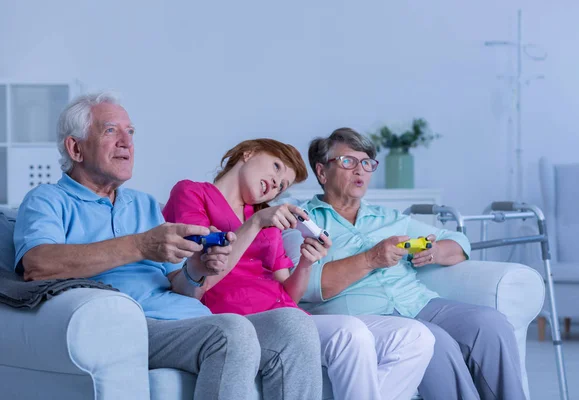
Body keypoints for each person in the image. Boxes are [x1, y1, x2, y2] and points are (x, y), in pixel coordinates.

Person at [13, 92, 323, 400]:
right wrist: (141, 245)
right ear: (75, 147)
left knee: (294, 326)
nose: (126, 142)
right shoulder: (47, 200)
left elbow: (184, 288)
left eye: (130, 132)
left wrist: (198, 268)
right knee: (231, 332)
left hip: (188, 318)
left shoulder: (143, 204)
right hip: (130, 323)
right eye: (110, 130)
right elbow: (37, 264)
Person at [162, 138, 435, 400]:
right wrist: (255, 223)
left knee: (415, 336)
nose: (275, 185)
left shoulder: (264, 217)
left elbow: (289, 294)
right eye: (276, 167)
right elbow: (199, 275)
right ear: (248, 153)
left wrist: (306, 263)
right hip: (240, 319)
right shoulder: (193, 192)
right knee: (349, 333)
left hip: (290, 316)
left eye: (282, 186)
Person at [287, 127, 526, 400]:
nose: (360, 171)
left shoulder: (388, 217)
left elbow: (459, 242)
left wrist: (434, 251)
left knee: (490, 323)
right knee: (437, 341)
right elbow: (307, 287)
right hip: (365, 315)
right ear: (321, 172)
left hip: (419, 303)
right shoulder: (301, 220)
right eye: (348, 161)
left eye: (366, 163)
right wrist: (370, 259)